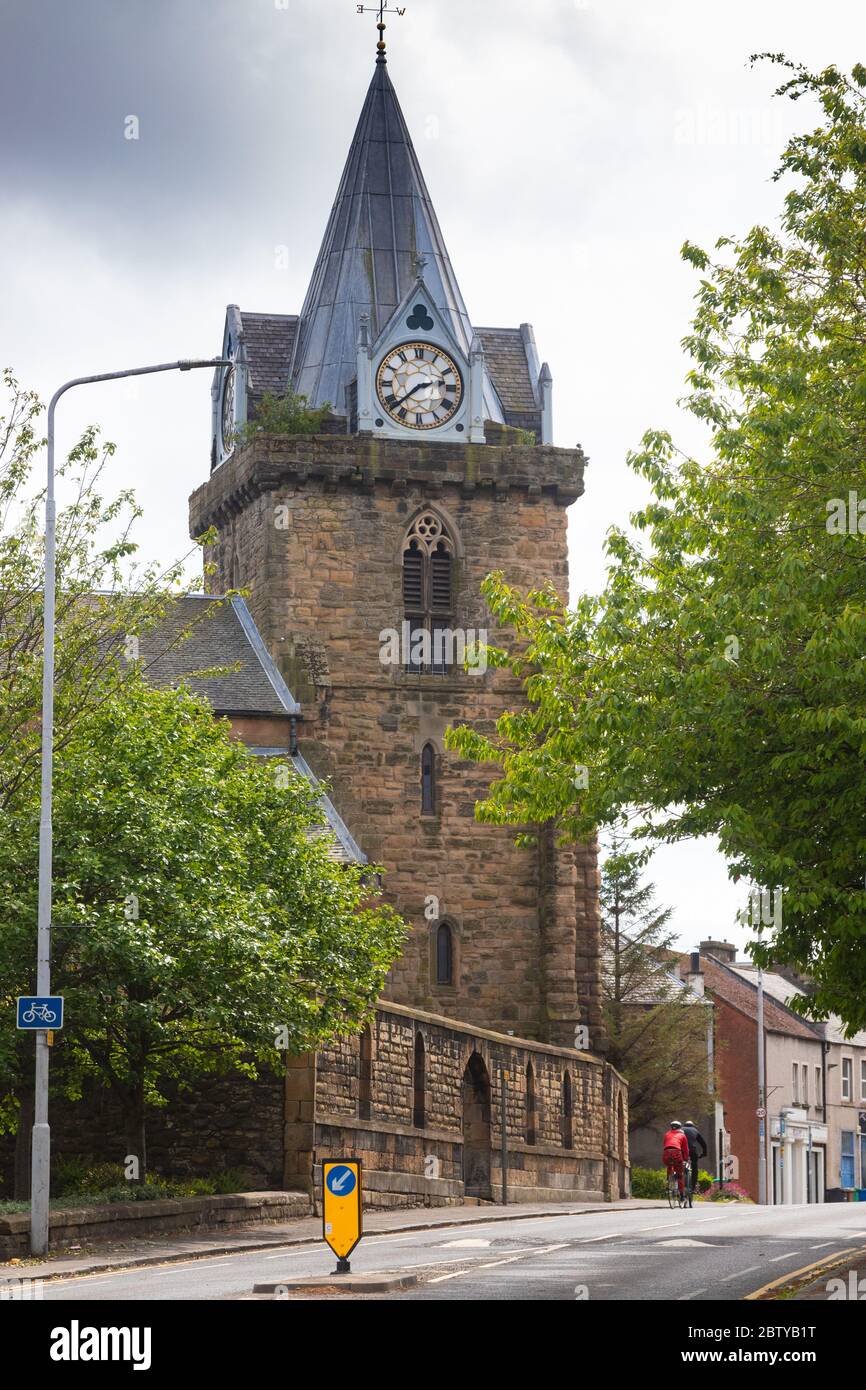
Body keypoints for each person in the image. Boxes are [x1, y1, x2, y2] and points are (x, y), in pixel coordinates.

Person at [662, 1121, 689, 1197]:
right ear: (680, 1127)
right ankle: (682, 1195)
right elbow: (685, 1149)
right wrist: (686, 1159)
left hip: (666, 1152)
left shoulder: (666, 1134)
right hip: (676, 1152)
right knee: (680, 1174)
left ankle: (668, 1183)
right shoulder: (682, 1135)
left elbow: (665, 1145)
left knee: (669, 1166)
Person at [682, 1120, 708, 1196]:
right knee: (694, 1167)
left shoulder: (681, 1130)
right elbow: (704, 1144)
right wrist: (704, 1154)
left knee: (680, 1165)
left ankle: (678, 1180)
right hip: (692, 1151)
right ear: (692, 1125)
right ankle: (693, 1187)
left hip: (682, 1150)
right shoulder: (695, 1130)